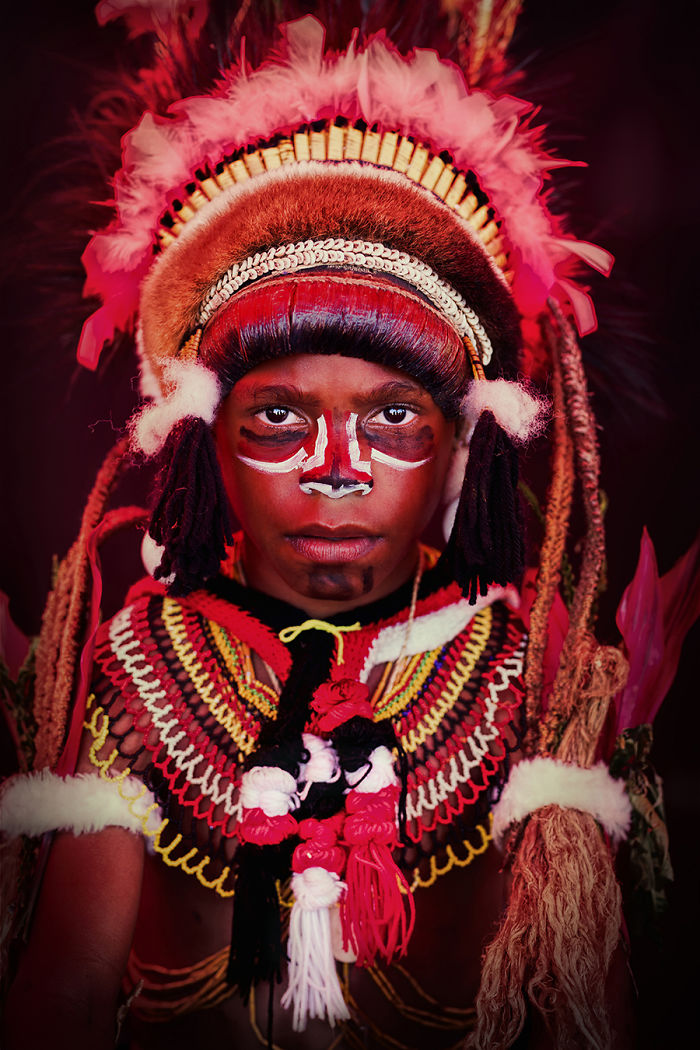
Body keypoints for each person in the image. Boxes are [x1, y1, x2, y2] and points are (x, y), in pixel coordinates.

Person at [0, 2, 690, 1048]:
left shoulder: (537, 692)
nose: (334, 471)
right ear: (203, 440)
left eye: (393, 418)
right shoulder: (136, 675)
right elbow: (67, 998)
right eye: (278, 417)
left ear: (468, 444)